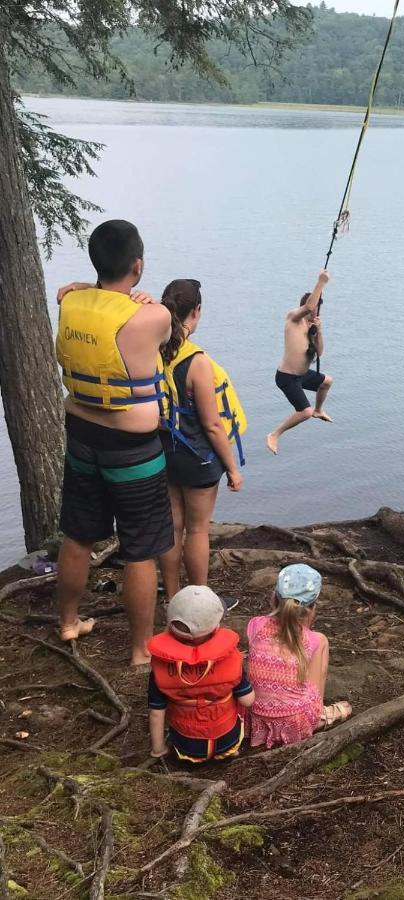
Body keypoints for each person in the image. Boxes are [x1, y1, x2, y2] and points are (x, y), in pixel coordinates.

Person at [54, 220, 174, 665]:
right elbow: (165, 330)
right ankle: (141, 649)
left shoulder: (69, 300)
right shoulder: (155, 315)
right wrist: (143, 297)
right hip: (133, 449)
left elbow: (79, 294)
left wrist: (90, 286)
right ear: (138, 265)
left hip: (82, 438)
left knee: (79, 535)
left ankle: (69, 621)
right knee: (141, 547)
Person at [157, 279, 246, 602]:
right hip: (197, 457)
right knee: (196, 530)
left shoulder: (153, 350)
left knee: (172, 526)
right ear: (196, 311)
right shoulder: (197, 362)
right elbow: (211, 424)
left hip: (163, 451)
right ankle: (198, 602)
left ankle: (171, 595)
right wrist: (233, 469)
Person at [246, 564, 352, 748]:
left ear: (275, 598)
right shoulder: (314, 640)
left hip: (255, 715)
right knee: (322, 643)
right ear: (312, 608)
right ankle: (319, 715)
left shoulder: (255, 625)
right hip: (296, 720)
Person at [147, 585, 254, 762]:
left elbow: (156, 713)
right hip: (227, 740)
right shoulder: (229, 660)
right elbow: (248, 700)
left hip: (187, 747)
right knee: (236, 695)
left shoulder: (161, 666)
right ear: (216, 626)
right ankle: (229, 751)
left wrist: (158, 749)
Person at [267, 271, 333, 454]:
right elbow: (310, 306)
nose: (316, 313)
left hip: (302, 376)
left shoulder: (310, 328)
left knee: (327, 381)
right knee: (305, 412)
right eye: (315, 309)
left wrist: (318, 332)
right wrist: (321, 282)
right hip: (287, 377)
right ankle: (274, 434)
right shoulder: (293, 318)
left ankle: (319, 410)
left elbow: (319, 352)